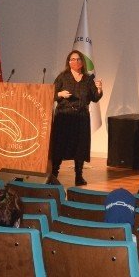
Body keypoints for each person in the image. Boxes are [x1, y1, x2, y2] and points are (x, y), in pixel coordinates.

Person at [48, 50, 102, 187]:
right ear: (68, 62)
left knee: (80, 147)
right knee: (60, 146)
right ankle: (54, 174)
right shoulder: (62, 77)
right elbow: (50, 94)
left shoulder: (88, 79)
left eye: (78, 59)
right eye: (72, 59)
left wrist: (100, 89)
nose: (75, 62)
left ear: (82, 62)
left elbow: (95, 98)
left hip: (81, 117)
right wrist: (59, 94)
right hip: (64, 116)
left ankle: (79, 176)